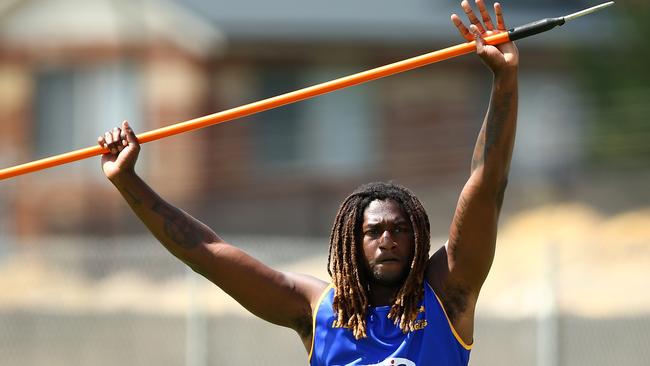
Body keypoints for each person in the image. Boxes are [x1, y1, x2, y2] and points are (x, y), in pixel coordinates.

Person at [98, 1, 518, 364]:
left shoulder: (448, 296)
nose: (387, 239)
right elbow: (207, 253)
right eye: (373, 231)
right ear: (353, 243)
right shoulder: (316, 311)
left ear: (418, 241)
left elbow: (486, 185)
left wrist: (504, 82)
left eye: (399, 230)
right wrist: (129, 182)